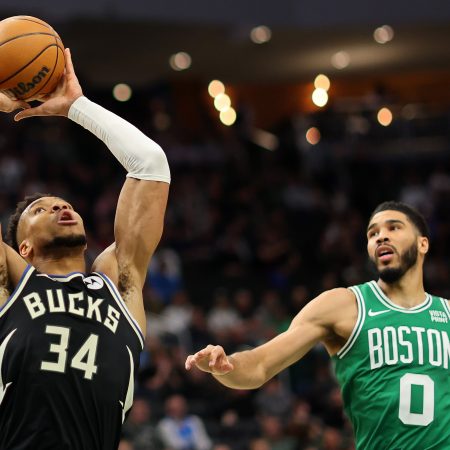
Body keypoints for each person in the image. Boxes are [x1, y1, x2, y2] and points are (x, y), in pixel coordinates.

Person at [0, 48, 170, 449]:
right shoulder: (11, 284)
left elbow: (150, 165)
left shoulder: (119, 282)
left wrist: (78, 107)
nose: (60, 206)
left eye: (65, 204)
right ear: (22, 248)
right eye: (41, 210)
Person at [186, 201, 450, 449]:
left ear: (422, 243)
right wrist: (225, 367)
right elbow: (261, 363)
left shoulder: (447, 314)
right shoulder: (343, 304)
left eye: (394, 227)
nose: (380, 236)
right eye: (372, 233)